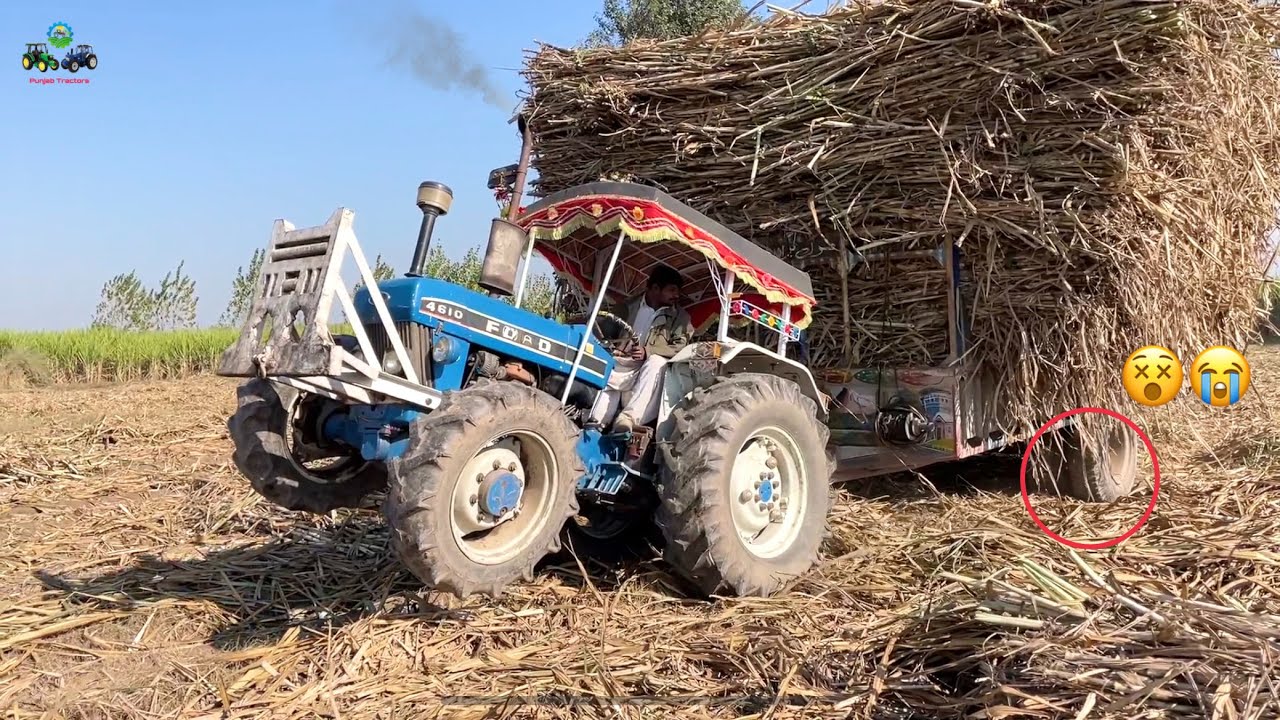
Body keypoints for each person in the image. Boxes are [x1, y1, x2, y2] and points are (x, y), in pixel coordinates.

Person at [589, 264, 694, 432]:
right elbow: (602, 332)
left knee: (656, 361)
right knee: (599, 412)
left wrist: (648, 352)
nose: (676, 295)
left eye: (677, 291)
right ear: (655, 288)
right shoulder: (626, 307)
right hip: (620, 365)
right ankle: (593, 428)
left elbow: (680, 347)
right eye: (672, 290)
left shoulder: (681, 318)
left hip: (650, 373)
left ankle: (628, 419)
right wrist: (611, 347)